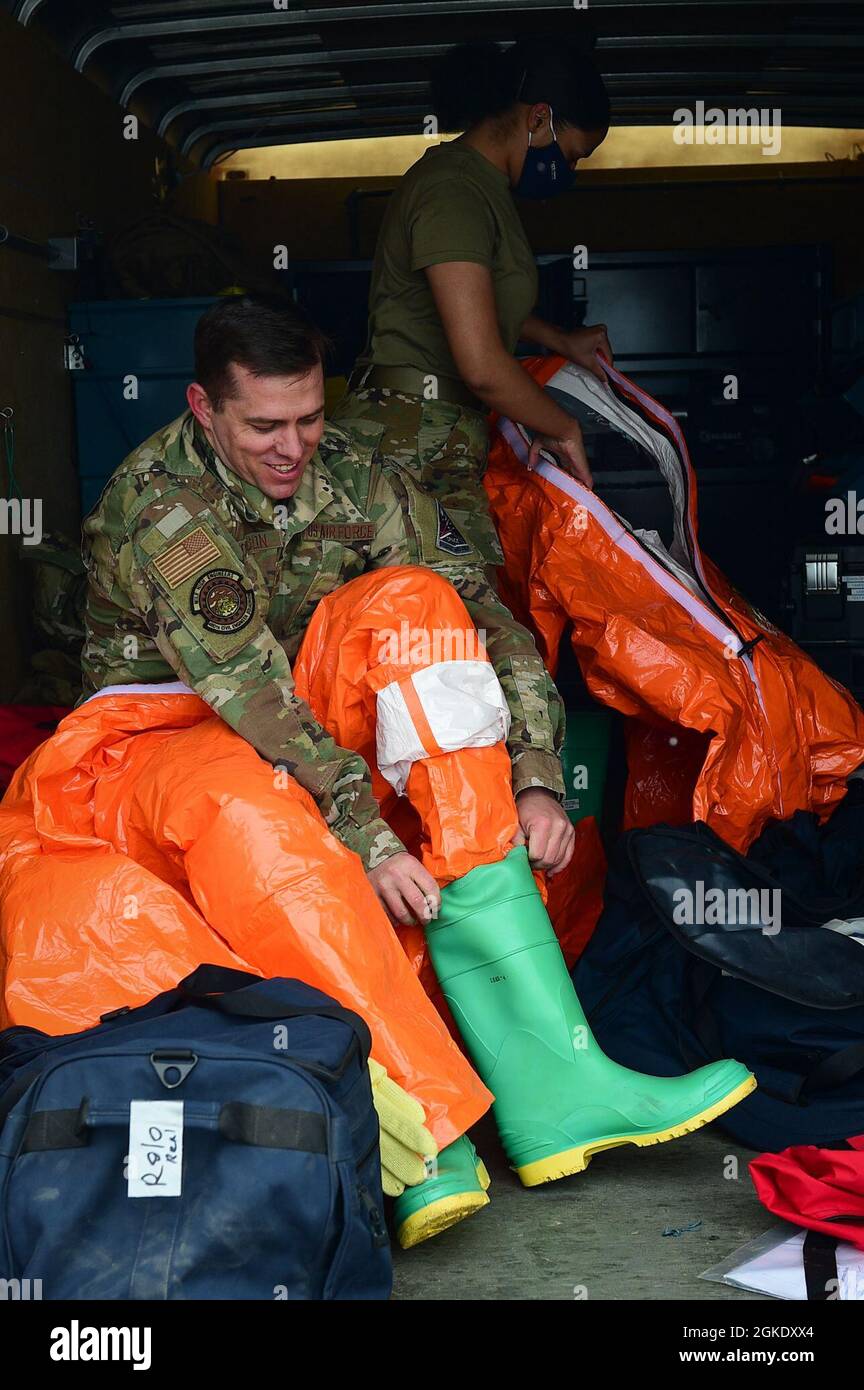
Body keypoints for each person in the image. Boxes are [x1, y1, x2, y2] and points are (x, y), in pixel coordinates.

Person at [79, 294, 755, 1248]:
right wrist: (362, 836)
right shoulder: (161, 506)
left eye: (309, 418)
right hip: (157, 738)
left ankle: (556, 1084)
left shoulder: (361, 476)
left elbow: (482, 620)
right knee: (259, 818)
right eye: (264, 426)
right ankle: (427, 1136)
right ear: (202, 407)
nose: (293, 446)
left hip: (303, 717)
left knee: (420, 596)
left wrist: (533, 776)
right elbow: (250, 693)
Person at [332, 36, 613, 569]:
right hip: (408, 439)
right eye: (573, 155)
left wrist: (557, 339)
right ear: (539, 119)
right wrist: (562, 427)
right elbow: (482, 365)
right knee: (467, 625)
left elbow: (470, 302)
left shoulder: (479, 187)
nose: (569, 172)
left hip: (434, 434)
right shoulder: (454, 190)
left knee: (459, 622)